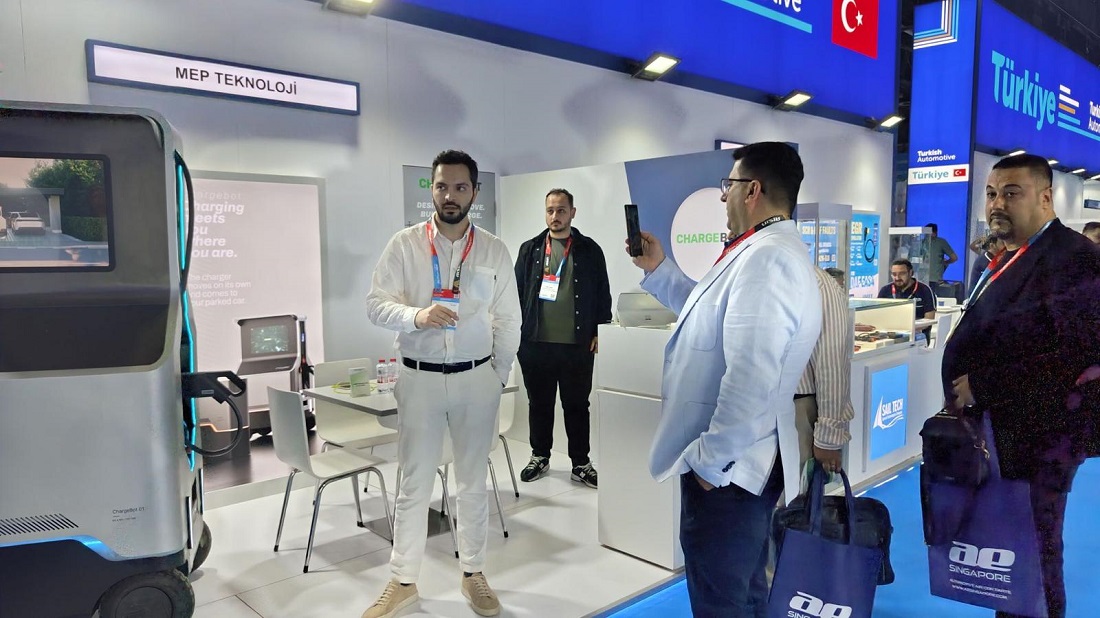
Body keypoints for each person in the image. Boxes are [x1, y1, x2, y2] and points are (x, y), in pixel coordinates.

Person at [628, 142, 821, 616]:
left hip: (730, 471)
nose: (722, 196)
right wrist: (659, 271)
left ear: (752, 190)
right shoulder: (765, 251)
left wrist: (709, 464)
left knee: (721, 599)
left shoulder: (768, 258)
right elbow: (710, 318)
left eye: (728, 186)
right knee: (746, 590)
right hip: (740, 466)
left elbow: (752, 377)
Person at [363, 150, 521, 618]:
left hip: (477, 379)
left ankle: (474, 574)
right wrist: (417, 315)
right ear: (431, 190)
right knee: (414, 482)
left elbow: (509, 319)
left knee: (472, 481)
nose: (449, 195)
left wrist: (496, 375)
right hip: (420, 379)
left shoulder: (493, 249)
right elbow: (375, 304)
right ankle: (403, 581)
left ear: (474, 192)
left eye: (459, 187)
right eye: (441, 187)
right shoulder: (405, 245)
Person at [943, 154, 1100, 618]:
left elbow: (1078, 356)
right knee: (1008, 554)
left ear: (1045, 198)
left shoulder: (1072, 257)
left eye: (1012, 193)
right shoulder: (1013, 255)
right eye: (992, 193)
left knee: (1032, 558)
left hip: (1042, 439)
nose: (997, 203)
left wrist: (983, 383)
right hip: (1002, 433)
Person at [514, 188, 611, 488]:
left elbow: (603, 292)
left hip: (577, 345)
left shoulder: (589, 250)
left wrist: (600, 329)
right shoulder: (530, 249)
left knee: (577, 406)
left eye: (561, 210)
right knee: (539, 403)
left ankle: (580, 463)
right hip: (535, 344)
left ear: (572, 212)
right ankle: (539, 456)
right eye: (550, 210)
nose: (555, 216)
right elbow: (515, 294)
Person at [794, 267, 854, 476]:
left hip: (798, 405)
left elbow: (831, 363)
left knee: (797, 490)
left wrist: (828, 437)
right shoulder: (747, 273)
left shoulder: (817, 283)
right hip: (753, 410)